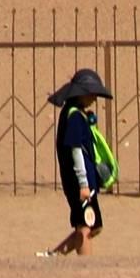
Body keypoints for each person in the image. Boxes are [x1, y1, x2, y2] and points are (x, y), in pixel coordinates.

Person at [42, 67, 111, 256]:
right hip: (81, 183)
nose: (94, 99)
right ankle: (84, 268)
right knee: (85, 227)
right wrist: (83, 183)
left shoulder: (76, 114)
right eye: (92, 94)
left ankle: (54, 256)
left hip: (85, 182)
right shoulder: (73, 117)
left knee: (93, 226)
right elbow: (76, 151)